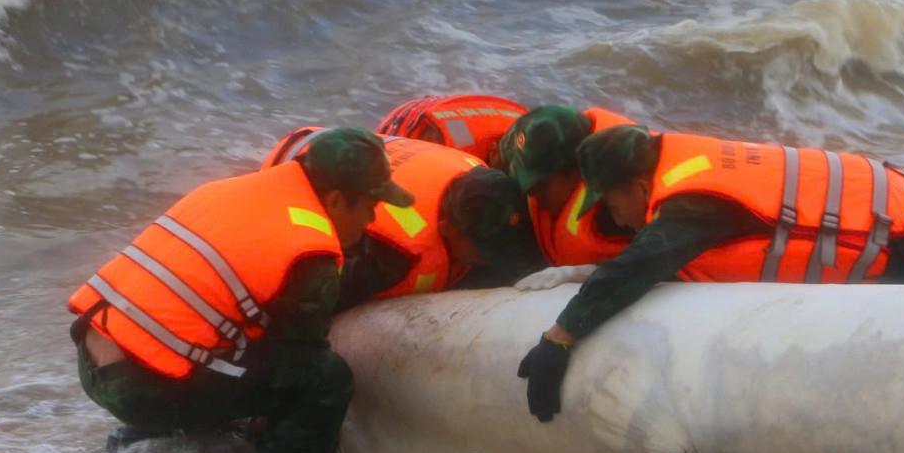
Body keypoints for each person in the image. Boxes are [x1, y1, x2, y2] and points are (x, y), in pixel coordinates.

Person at [517, 125, 904, 421]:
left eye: (613, 206)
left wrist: (560, 337)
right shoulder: (692, 170)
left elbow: (637, 266)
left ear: (638, 186)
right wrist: (580, 273)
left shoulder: (693, 203)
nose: (617, 220)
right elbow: (656, 260)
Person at [67, 127, 413, 453]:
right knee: (326, 379)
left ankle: (137, 441)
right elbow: (300, 363)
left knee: (225, 342)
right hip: (142, 389)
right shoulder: (311, 251)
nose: (372, 220)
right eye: (372, 205)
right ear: (338, 200)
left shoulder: (224, 191)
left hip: (93, 360)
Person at [261, 126, 542, 305]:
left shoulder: (481, 177)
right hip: (295, 164)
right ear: (447, 229)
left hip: (336, 141)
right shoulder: (388, 257)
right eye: (484, 250)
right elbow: (308, 309)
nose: (489, 258)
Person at [490, 104, 640, 267]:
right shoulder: (559, 140)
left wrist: (587, 272)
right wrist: (498, 169)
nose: (533, 194)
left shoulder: (618, 208)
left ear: (578, 170)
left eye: (541, 185)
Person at [376, 94, 528, 163]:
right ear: (493, 153)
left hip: (439, 110)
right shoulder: (454, 155)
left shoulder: (527, 128)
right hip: (404, 131)